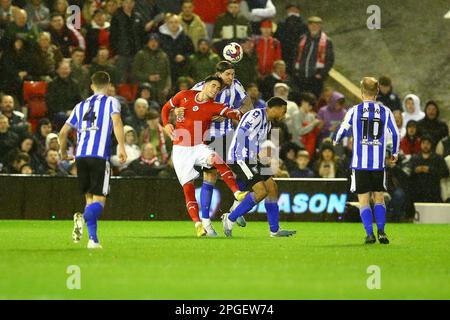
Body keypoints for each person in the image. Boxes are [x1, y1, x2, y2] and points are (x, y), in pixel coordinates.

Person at [161, 75, 247, 237]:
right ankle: (198, 224)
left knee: (217, 160)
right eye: (213, 86)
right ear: (205, 85)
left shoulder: (214, 106)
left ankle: (237, 193)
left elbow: (233, 114)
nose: (215, 90)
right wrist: (166, 124)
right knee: (188, 189)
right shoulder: (184, 95)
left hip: (199, 146)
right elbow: (166, 108)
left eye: (218, 88)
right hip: (180, 150)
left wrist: (246, 114)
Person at [58, 71, 127, 249]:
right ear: (109, 85)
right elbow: (117, 122)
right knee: (99, 201)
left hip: (81, 156)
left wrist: (63, 152)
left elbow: (63, 132)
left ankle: (93, 240)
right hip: (98, 156)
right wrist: (121, 146)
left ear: (91, 86)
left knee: (89, 198)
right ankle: (83, 217)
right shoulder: (111, 101)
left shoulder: (80, 105)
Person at [333, 77, 400, 245]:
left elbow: (344, 128)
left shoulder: (355, 110)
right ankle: (382, 232)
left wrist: (336, 139)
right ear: (377, 92)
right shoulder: (385, 111)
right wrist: (395, 152)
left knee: (363, 199)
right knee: (379, 197)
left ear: (362, 92)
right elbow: (395, 133)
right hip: (378, 163)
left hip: (360, 163)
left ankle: (370, 234)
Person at [189, 61, 252, 230]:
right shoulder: (201, 86)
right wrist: (208, 114)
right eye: (228, 74)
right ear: (218, 74)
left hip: (228, 135)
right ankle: (206, 223)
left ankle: (235, 208)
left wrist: (233, 114)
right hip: (206, 136)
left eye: (233, 74)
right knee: (210, 177)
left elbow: (248, 104)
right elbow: (189, 106)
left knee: (246, 170)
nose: (231, 78)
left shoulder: (236, 86)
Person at [222, 96, 296, 237]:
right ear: (276, 108)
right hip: (240, 157)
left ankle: (274, 230)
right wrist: (256, 152)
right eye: (284, 111)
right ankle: (230, 218)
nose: (284, 115)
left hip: (253, 158)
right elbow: (241, 134)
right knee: (261, 192)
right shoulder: (256, 114)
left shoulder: (268, 124)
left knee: (272, 187)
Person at [293, 16, 334, 98]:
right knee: (301, 98)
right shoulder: (302, 39)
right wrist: (296, 71)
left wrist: (321, 74)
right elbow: (296, 55)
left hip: (315, 78)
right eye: (312, 25)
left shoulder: (326, 41)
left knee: (313, 100)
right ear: (308, 26)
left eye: (316, 25)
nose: (314, 27)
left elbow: (330, 60)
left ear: (320, 26)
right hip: (301, 76)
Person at [409, 135, 449, 202]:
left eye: (428, 143)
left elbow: (445, 173)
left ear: (431, 145)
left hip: (433, 193)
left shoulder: (438, 158)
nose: (425, 146)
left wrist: (430, 170)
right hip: (417, 194)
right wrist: (415, 171)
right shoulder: (414, 159)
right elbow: (407, 174)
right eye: (423, 143)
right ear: (420, 144)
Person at [274, 3, 307, 75]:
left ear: (298, 11)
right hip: (285, 57)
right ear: (287, 11)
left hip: (295, 58)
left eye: (295, 9)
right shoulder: (281, 24)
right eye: (291, 9)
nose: (293, 11)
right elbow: (276, 40)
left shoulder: (304, 26)